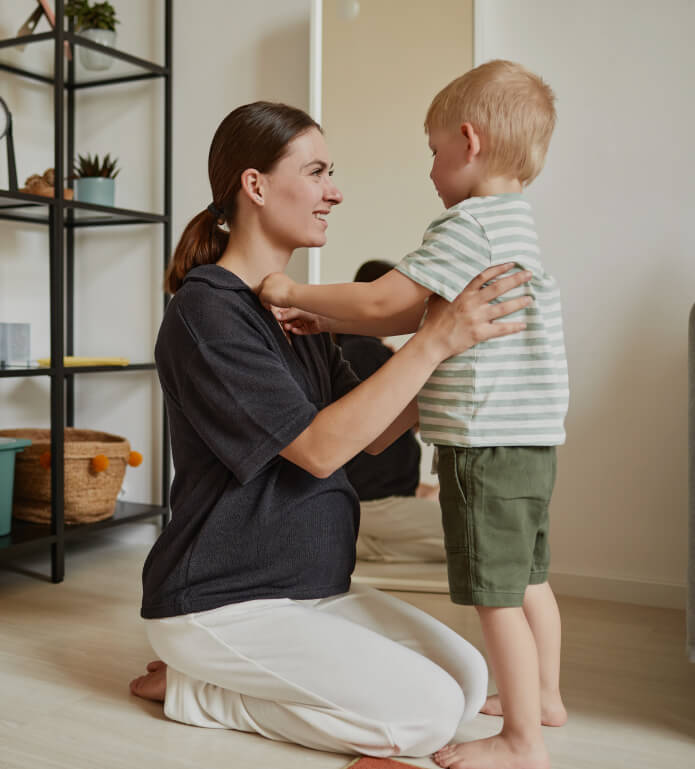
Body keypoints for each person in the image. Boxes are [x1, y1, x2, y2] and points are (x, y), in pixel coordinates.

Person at [128, 100, 534, 759]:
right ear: (255, 185)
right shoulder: (207, 311)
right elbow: (318, 450)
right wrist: (432, 341)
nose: (333, 191)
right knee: (426, 717)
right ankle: (197, 689)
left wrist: (460, 340)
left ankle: (222, 679)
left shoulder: (294, 309)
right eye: (316, 172)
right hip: (221, 599)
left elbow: (372, 431)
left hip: (314, 587)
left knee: (467, 679)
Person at [259, 60, 569, 769]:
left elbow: (384, 302)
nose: (429, 167)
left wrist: (290, 289)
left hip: (485, 445)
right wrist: (324, 318)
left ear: (468, 141)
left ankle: (523, 739)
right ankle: (545, 696)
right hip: (531, 442)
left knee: (493, 594)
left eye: (432, 150)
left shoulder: (467, 224)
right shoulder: (516, 228)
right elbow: (412, 316)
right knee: (527, 579)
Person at [338, 259, 445, 563]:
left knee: (456, 535)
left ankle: (361, 542)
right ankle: (359, 540)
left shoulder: (357, 352)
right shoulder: (364, 353)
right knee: (474, 533)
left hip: (377, 501)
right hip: (378, 503)